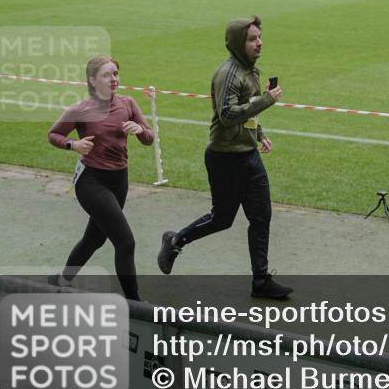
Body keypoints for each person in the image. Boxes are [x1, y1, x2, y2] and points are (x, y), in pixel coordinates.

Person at [157, 15, 292, 300]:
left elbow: (248, 112)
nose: (259, 43)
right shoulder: (227, 74)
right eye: (252, 39)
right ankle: (175, 240)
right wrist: (267, 100)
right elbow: (228, 114)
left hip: (247, 155)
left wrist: (259, 134)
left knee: (261, 216)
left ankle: (261, 280)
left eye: (259, 37)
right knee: (222, 219)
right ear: (236, 43)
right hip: (224, 158)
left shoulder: (251, 72)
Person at [48, 55, 154, 301]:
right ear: (93, 80)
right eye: (107, 75)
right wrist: (73, 144)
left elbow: (149, 138)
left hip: (120, 181)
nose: (114, 79)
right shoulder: (80, 110)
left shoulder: (128, 104)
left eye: (115, 73)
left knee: (94, 238)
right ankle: (134, 303)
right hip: (91, 182)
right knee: (125, 243)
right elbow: (54, 134)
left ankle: (61, 280)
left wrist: (140, 131)